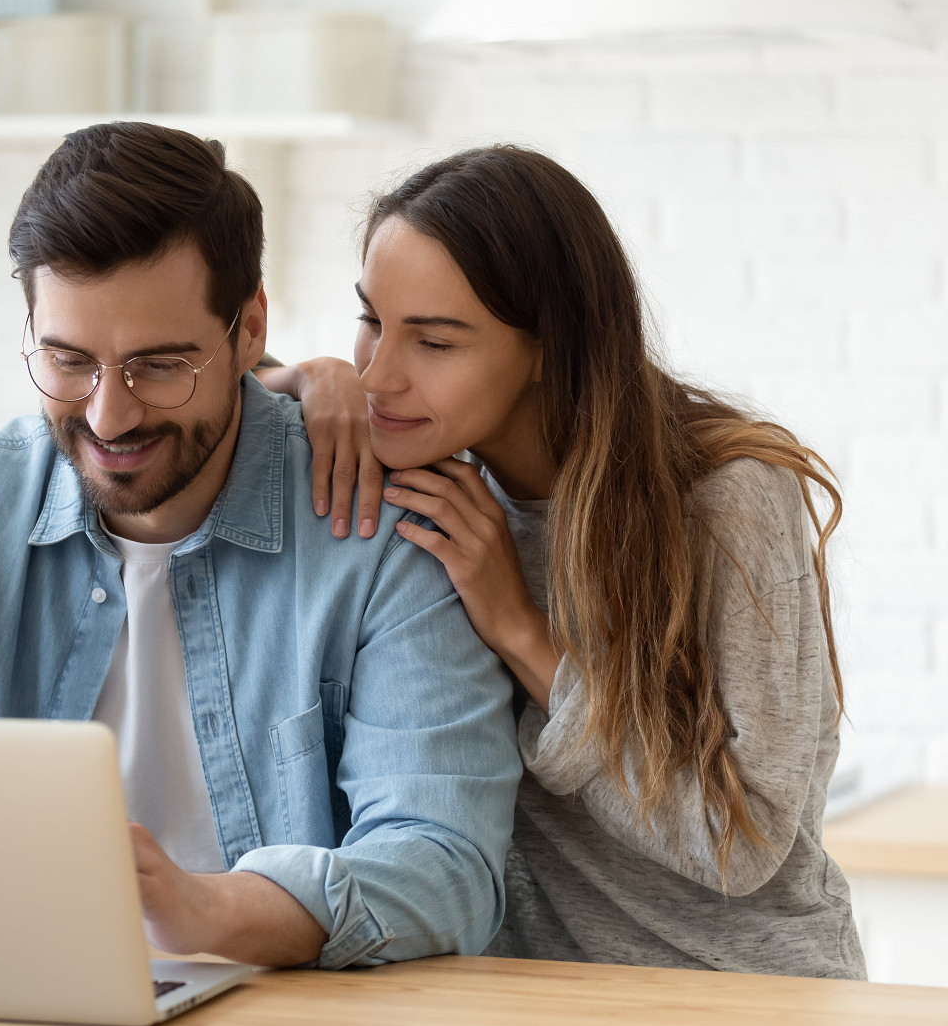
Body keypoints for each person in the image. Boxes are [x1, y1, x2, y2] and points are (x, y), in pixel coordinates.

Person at [0, 122, 521, 970]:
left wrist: (207, 909)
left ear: (250, 330)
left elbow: (447, 866)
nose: (109, 416)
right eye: (68, 361)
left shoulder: (379, 528)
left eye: (159, 365)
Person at [278, 144, 862, 978]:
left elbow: (745, 843)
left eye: (434, 342)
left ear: (550, 345)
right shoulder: (431, 468)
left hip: (751, 997)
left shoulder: (730, 496)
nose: (379, 375)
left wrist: (521, 628)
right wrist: (301, 376)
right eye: (370, 320)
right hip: (541, 998)